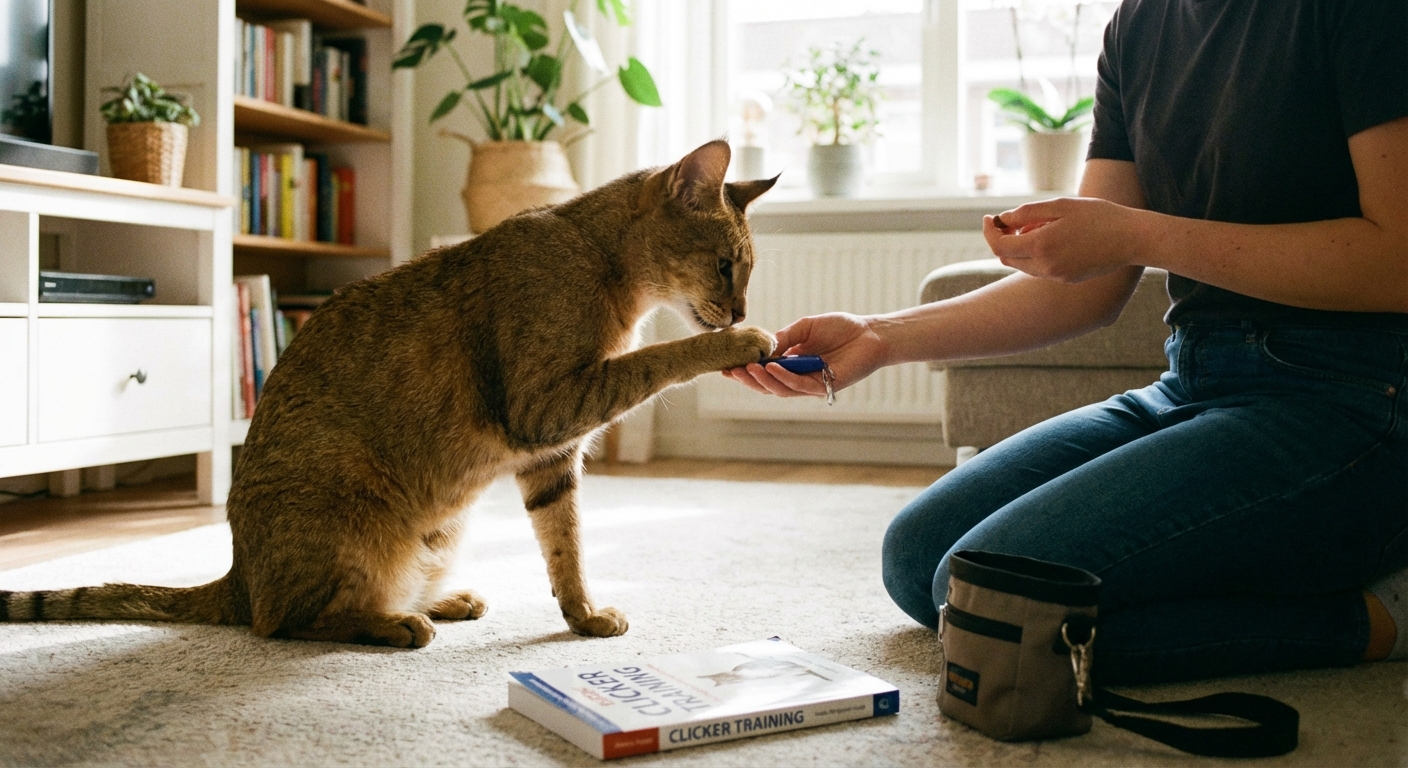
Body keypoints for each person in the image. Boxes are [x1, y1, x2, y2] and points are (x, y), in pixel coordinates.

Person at [726, 0, 1408, 684]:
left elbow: (1398, 260)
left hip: (1358, 399)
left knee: (996, 604)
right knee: (917, 559)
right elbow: (1087, 288)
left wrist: (1140, 232)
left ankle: (1378, 616)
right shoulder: (1141, 24)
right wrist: (879, 336)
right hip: (1196, 382)